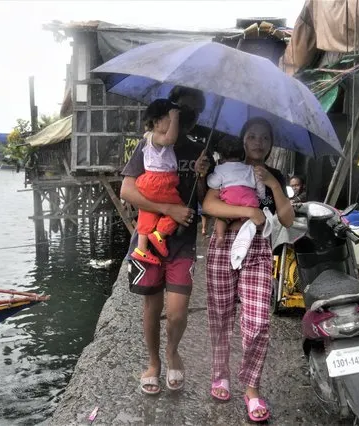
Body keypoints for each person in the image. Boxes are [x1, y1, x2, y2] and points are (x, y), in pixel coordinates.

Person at [120, 86, 211, 395]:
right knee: (151, 305)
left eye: (195, 111)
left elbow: (202, 201)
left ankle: (172, 350)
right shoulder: (150, 145)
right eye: (183, 108)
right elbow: (127, 191)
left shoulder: (200, 151)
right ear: (171, 109)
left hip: (182, 241)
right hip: (150, 237)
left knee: (177, 312)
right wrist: (167, 208)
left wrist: (201, 176)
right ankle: (153, 363)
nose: (188, 115)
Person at [202, 117, 294, 422]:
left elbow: (288, 218)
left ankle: (252, 387)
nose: (258, 142)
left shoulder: (276, 175)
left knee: (257, 322)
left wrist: (270, 183)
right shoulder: (227, 169)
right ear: (243, 139)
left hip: (258, 247)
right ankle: (220, 374)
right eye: (252, 136)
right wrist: (248, 210)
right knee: (220, 313)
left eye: (264, 138)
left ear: (270, 144)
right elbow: (210, 205)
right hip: (224, 243)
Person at [131, 99, 183, 266]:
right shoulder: (158, 137)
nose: (175, 124)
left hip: (148, 181)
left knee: (147, 212)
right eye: (170, 120)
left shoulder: (147, 136)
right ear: (157, 122)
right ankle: (160, 233)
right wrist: (175, 116)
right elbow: (170, 139)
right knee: (180, 208)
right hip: (161, 180)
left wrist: (172, 118)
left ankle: (141, 248)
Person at [207, 135, 265, 248]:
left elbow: (212, 183)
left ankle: (220, 236)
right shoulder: (251, 169)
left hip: (229, 202)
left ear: (221, 156)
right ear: (242, 154)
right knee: (249, 221)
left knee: (222, 218)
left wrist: (207, 176)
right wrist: (260, 196)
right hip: (249, 201)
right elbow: (260, 186)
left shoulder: (220, 169)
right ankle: (258, 228)